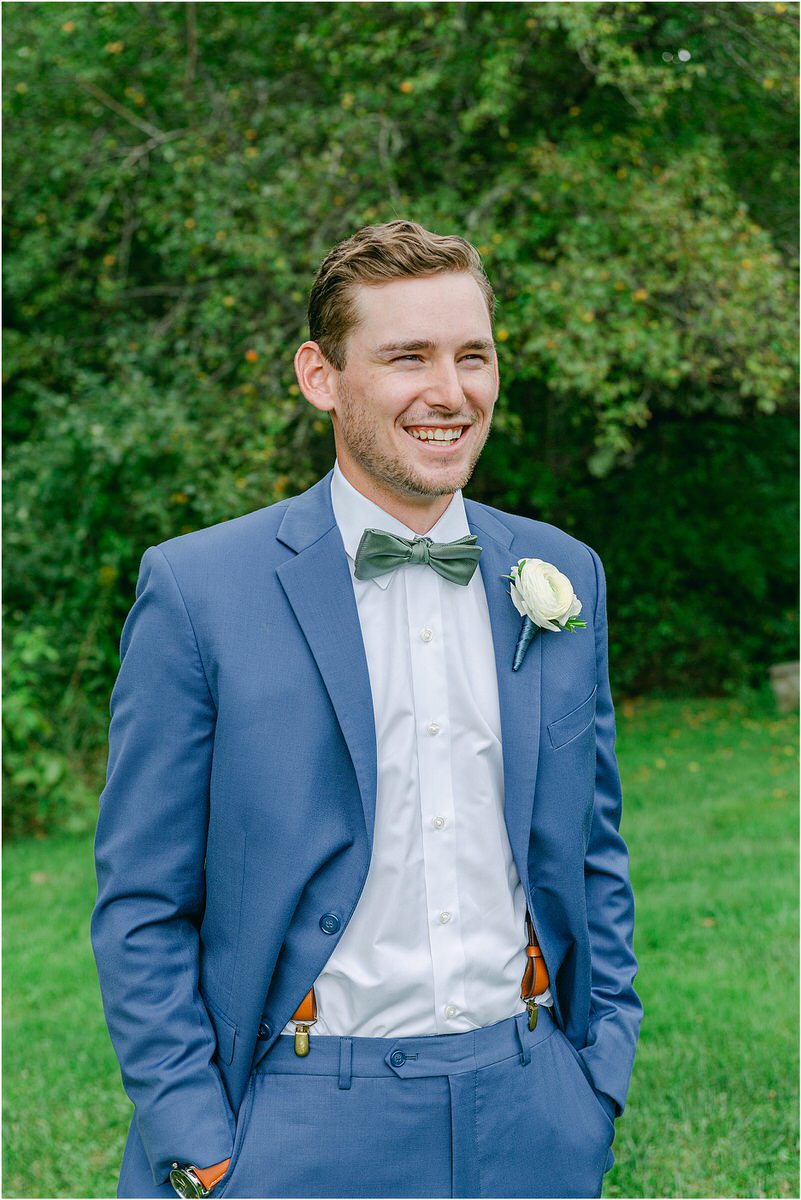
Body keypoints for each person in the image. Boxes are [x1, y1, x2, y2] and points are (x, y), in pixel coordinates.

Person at [91, 220, 642, 1200]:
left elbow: (593, 851)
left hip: (530, 1110)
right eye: (407, 357)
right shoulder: (198, 591)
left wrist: (594, 1084)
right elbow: (142, 901)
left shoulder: (563, 575)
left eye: (473, 355)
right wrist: (202, 1139)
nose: (451, 391)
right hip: (297, 1118)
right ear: (320, 376)